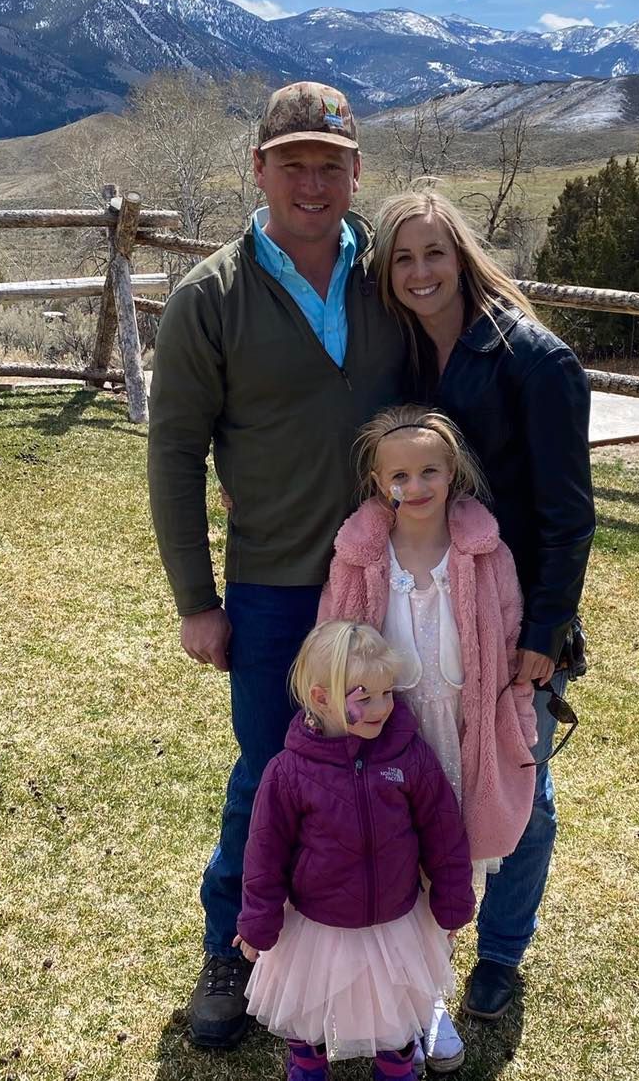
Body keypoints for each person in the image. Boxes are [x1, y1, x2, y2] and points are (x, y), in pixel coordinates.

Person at [147, 82, 409, 1049]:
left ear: (356, 173)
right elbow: (176, 453)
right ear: (257, 170)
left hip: (390, 579)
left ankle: (383, 953)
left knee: (395, 760)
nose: (311, 182)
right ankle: (232, 946)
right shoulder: (210, 298)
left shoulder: (391, 277)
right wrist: (196, 600)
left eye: (329, 165)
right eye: (292, 163)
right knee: (273, 771)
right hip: (274, 584)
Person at [371, 191, 596, 1023]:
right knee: (428, 769)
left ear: (461, 257)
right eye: (402, 258)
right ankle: (418, 935)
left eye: (434, 252)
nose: (420, 272)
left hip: (512, 615)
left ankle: (501, 952)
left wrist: (545, 631)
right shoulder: (402, 355)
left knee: (519, 787)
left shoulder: (533, 359)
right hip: (425, 601)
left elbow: (569, 515)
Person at [318, 405, 540, 1072]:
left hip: (464, 741)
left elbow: (509, 646)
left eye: (429, 472)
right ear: (376, 482)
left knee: (447, 874)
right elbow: (332, 641)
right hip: (390, 745)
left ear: (453, 474)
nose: (414, 487)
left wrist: (517, 727)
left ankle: (432, 999)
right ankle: (396, 1003)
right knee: (395, 871)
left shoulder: (486, 555)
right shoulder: (360, 557)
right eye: (399, 476)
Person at [235, 620, 475, 1081]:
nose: (381, 708)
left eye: (387, 694)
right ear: (321, 697)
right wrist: (258, 921)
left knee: (397, 1002)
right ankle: (307, 1065)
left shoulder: (410, 756)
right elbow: (264, 853)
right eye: (364, 698)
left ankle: (396, 1068)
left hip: (396, 920)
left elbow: (443, 833)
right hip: (316, 923)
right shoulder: (288, 773)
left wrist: (452, 901)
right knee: (308, 1003)